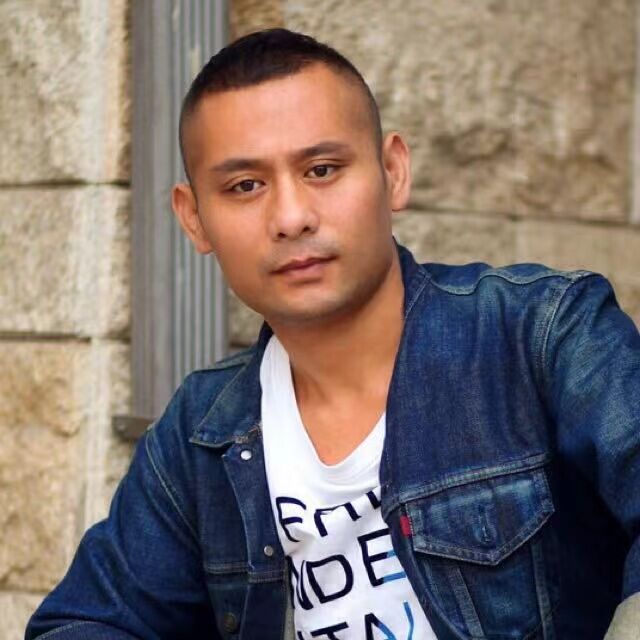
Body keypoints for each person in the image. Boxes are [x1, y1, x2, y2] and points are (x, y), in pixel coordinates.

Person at [26, 28, 639, 640]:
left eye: (322, 170)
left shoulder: (543, 334)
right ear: (195, 219)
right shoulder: (202, 430)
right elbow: (81, 623)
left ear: (393, 172)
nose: (291, 217)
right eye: (245, 186)